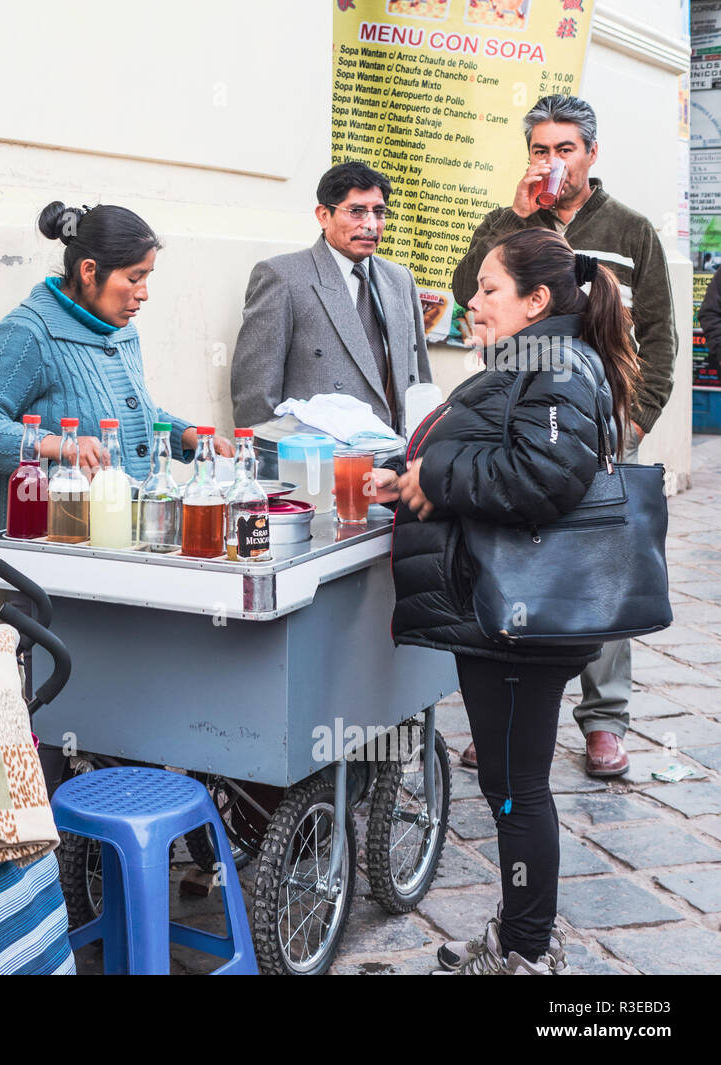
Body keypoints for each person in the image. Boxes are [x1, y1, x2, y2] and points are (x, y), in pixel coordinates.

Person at [372, 228, 640, 974]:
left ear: (536, 300)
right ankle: (523, 934)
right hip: (502, 615)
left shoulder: (552, 363)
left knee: (517, 789)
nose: (474, 301)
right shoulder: (536, 359)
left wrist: (435, 473)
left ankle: (526, 950)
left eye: (489, 289)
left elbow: (541, 479)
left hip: (522, 619)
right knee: (509, 784)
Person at [451, 95, 677, 778]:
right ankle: (515, 715)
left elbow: (663, 332)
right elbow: (470, 294)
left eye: (565, 149)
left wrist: (638, 415)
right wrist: (512, 219)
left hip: (606, 428)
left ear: (591, 154)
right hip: (522, 422)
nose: (552, 163)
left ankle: (604, 720)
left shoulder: (633, 230)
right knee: (517, 556)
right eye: (541, 150)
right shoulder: (512, 225)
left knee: (603, 564)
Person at [0, 201, 230, 527]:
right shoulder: (29, 332)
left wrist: (190, 437)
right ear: (89, 271)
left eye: (147, 278)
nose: (144, 294)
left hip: (129, 534)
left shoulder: (122, 332)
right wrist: (59, 445)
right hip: (59, 541)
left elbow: (129, 411)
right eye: (134, 278)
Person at [231, 160, 433, 433]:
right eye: (357, 212)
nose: (371, 225)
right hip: (318, 461)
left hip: (393, 460)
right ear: (323, 215)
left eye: (379, 212)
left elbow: (419, 379)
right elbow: (256, 394)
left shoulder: (399, 279)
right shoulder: (283, 276)